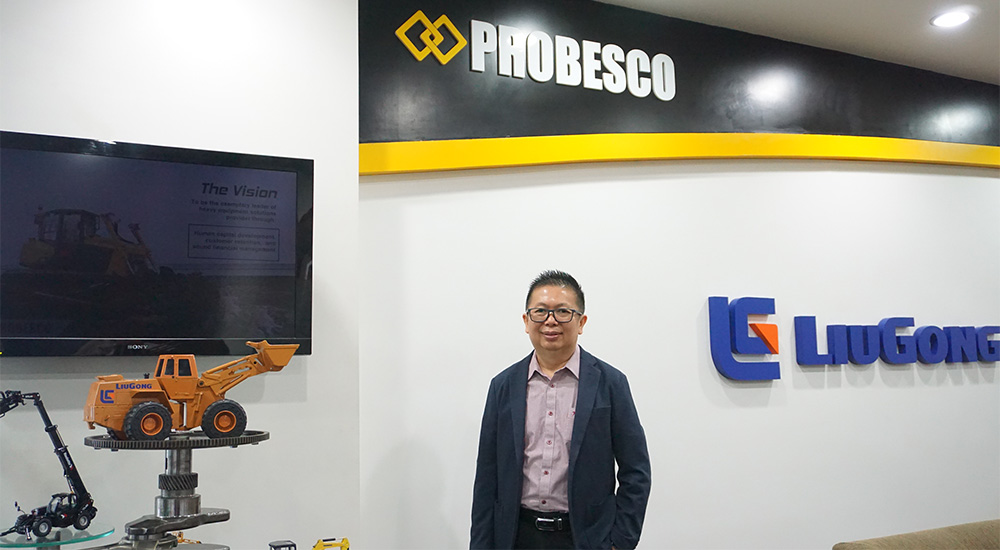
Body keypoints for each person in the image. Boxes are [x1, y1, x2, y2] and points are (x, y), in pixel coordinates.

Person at [471, 270, 651, 550]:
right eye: (540, 311)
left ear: (581, 322)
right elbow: (486, 476)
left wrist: (620, 542)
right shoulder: (503, 386)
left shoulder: (611, 383)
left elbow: (636, 471)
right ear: (526, 321)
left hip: (585, 538)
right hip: (516, 536)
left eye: (563, 312)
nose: (550, 320)